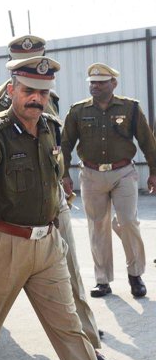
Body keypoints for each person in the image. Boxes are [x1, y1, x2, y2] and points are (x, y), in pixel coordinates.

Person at [0, 55, 156, 360]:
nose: (36, 99)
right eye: (28, 91)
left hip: (46, 245)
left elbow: (54, 175)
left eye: (43, 93)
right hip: (4, 244)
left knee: (70, 330)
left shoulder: (49, 128)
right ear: (11, 90)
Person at [0, 35, 118, 360]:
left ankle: (89, 351)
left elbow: (51, 144)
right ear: (12, 65)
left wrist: (61, 185)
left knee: (71, 275)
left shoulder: (46, 97)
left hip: (51, 199)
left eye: (40, 58)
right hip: (14, 205)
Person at [62, 63, 156, 298]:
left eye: (101, 82)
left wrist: (154, 171)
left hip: (123, 172)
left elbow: (147, 141)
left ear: (113, 83)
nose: (95, 86)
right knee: (98, 227)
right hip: (91, 175)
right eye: (92, 82)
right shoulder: (78, 111)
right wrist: (63, 174)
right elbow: (64, 145)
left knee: (128, 222)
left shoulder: (131, 108)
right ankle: (102, 280)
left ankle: (135, 275)